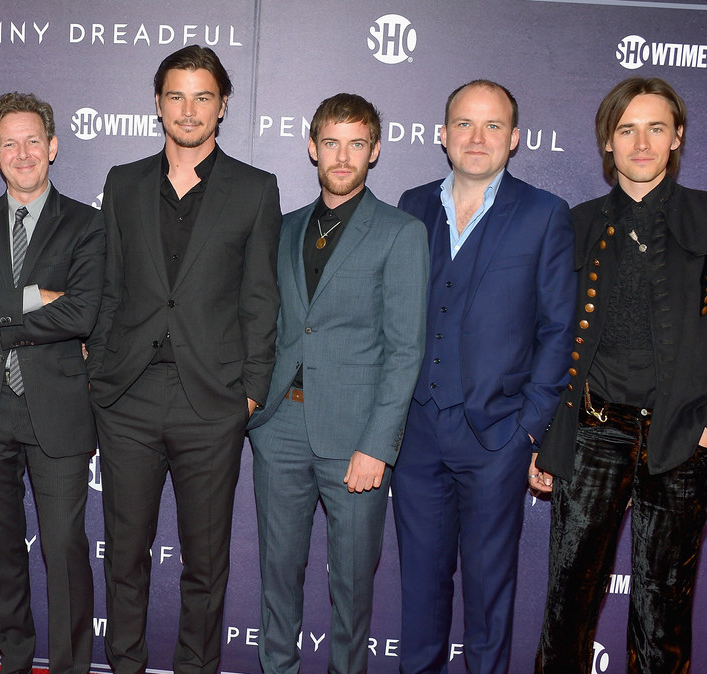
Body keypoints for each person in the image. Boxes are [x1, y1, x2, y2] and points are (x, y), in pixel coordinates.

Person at [532, 77, 707, 674]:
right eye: (627, 129)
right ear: (607, 143)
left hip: (679, 439)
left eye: (656, 127)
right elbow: (548, 338)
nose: (642, 142)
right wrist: (548, 435)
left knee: (663, 615)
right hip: (591, 436)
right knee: (566, 609)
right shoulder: (575, 224)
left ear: (677, 137)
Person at [86, 45, 282, 674]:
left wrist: (250, 391)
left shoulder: (255, 189)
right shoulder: (123, 181)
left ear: (223, 106)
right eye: (176, 95)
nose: (189, 109)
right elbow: (110, 287)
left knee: (205, 562)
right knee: (124, 556)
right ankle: (125, 666)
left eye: (203, 96)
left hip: (212, 401)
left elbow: (260, 298)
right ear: (158, 104)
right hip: (129, 398)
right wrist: (101, 377)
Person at [393, 79, 575, 674]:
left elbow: (557, 329)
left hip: (496, 436)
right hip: (417, 433)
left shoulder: (544, 213)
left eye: (493, 125)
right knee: (420, 592)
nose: (477, 138)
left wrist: (528, 428)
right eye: (464, 125)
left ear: (514, 138)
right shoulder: (412, 205)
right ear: (442, 135)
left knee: (489, 597)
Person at [246, 93, 428, 674]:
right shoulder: (284, 227)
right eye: (331, 142)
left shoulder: (401, 232)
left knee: (352, 585)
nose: (342, 156)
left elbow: (406, 349)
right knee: (278, 573)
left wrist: (378, 445)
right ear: (312, 147)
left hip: (357, 437)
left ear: (374, 152)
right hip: (279, 427)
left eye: (356, 143)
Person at [0, 92, 102, 674]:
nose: (24, 152)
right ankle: (13, 662)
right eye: (10, 143)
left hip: (56, 410)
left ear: (53, 147)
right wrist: (33, 300)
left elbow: (82, 314)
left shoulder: (87, 223)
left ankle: (71, 667)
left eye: (34, 140)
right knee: (2, 554)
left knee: (64, 552)